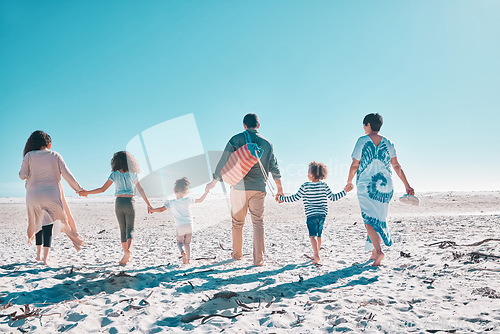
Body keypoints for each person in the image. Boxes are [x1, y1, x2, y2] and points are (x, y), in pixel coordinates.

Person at [206, 113, 282, 266]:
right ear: (258, 125)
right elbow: (274, 167)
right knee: (258, 222)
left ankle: (237, 254)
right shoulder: (267, 144)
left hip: (239, 188)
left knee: (237, 223)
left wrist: (214, 181)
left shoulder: (236, 139)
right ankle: (258, 260)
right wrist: (280, 189)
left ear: (244, 125)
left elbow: (223, 161)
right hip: (259, 188)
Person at [345, 113, 414, 266]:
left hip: (366, 185)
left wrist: (349, 181)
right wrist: (407, 185)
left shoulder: (362, 141)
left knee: (369, 220)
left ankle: (379, 251)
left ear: (368, 125)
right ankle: (374, 253)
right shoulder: (389, 142)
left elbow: (355, 164)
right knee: (379, 218)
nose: (363, 128)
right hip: (386, 186)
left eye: (364, 125)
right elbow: (396, 165)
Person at [19, 130, 84, 265]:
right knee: (48, 224)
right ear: (48, 144)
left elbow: (22, 175)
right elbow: (67, 175)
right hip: (52, 194)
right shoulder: (55, 155)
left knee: (37, 223)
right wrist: (79, 189)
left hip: (34, 195)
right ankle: (45, 259)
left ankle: (37, 255)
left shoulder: (29, 156)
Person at [78, 151, 152, 265]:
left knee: (122, 230)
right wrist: (148, 204)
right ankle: (128, 251)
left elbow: (102, 189)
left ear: (115, 162)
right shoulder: (133, 173)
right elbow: (141, 189)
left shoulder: (114, 174)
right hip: (130, 202)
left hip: (119, 202)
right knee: (130, 229)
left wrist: (87, 192)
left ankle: (125, 255)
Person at [277, 162, 349, 264]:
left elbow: (294, 198)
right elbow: (333, 197)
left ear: (312, 174)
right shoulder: (324, 185)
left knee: (312, 236)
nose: (307, 174)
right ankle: (317, 253)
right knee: (319, 236)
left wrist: (281, 198)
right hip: (322, 215)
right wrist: (345, 191)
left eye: (308, 172)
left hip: (311, 215)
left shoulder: (305, 186)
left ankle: (316, 255)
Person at [149, 177, 211, 264]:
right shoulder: (188, 199)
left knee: (179, 242)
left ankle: (183, 253)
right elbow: (200, 200)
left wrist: (152, 210)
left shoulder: (171, 202)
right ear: (186, 192)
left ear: (175, 191)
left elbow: (161, 209)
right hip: (189, 225)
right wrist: (206, 192)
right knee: (188, 243)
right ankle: (188, 260)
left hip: (180, 226)